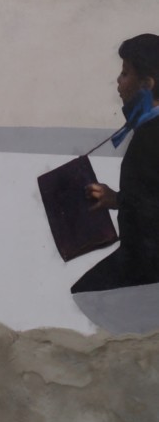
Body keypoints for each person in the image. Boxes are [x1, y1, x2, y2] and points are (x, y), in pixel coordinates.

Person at [72, 34, 159, 293]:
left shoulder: (151, 135)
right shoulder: (148, 129)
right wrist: (116, 199)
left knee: (85, 295)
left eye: (125, 73)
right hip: (142, 253)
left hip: (147, 260)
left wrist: (117, 200)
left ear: (146, 84)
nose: (118, 82)